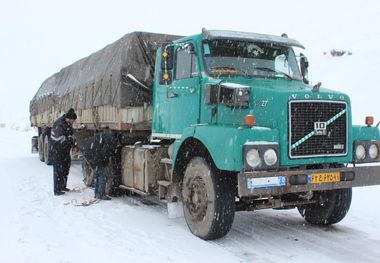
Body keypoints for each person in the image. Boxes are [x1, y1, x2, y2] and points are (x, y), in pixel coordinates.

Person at [82, 129, 116, 200]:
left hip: (89, 153)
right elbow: (105, 153)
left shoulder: (102, 136)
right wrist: (103, 163)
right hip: (94, 156)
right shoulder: (109, 141)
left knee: (98, 174)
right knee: (102, 174)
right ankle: (100, 194)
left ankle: (97, 193)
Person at [50, 108, 78, 196]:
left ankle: (63, 186)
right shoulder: (59, 124)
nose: (72, 122)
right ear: (68, 118)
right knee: (58, 170)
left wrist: (74, 145)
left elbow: (70, 136)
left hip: (64, 151)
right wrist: (69, 141)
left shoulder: (68, 124)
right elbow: (59, 139)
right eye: (72, 120)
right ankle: (56, 190)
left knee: (65, 168)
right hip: (57, 150)